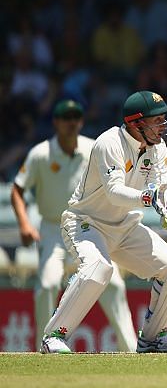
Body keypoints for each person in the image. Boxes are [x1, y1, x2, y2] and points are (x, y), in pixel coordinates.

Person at [39, 91, 167, 354]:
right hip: (86, 223)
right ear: (136, 123)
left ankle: (152, 339)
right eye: (156, 120)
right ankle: (54, 336)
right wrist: (149, 199)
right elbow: (115, 192)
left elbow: (160, 187)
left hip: (125, 226)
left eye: (163, 120)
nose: (163, 126)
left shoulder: (158, 148)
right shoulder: (109, 142)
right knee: (99, 268)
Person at [11, 99, 137, 352]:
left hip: (87, 225)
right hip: (52, 227)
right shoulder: (40, 154)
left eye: (75, 118)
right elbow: (18, 188)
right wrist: (25, 224)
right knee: (47, 284)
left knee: (112, 283)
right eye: (65, 118)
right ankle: (44, 348)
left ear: (81, 121)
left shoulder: (94, 149)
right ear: (56, 122)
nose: (71, 123)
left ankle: (131, 350)